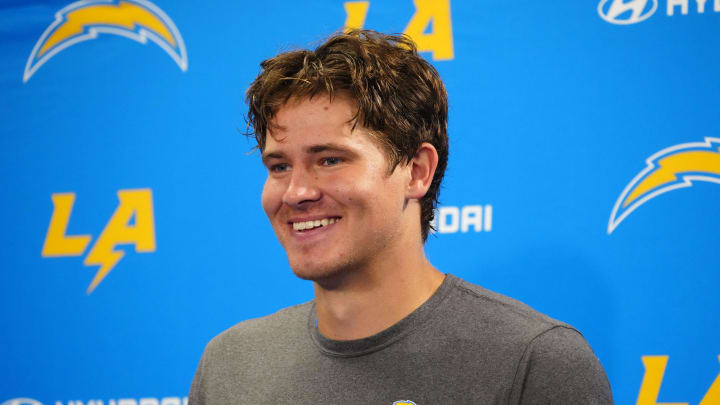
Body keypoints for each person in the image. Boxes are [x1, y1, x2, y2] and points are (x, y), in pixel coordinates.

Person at [189, 30, 613, 404]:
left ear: (417, 171)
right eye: (279, 166)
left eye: (331, 160)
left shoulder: (535, 363)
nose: (297, 192)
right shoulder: (230, 364)